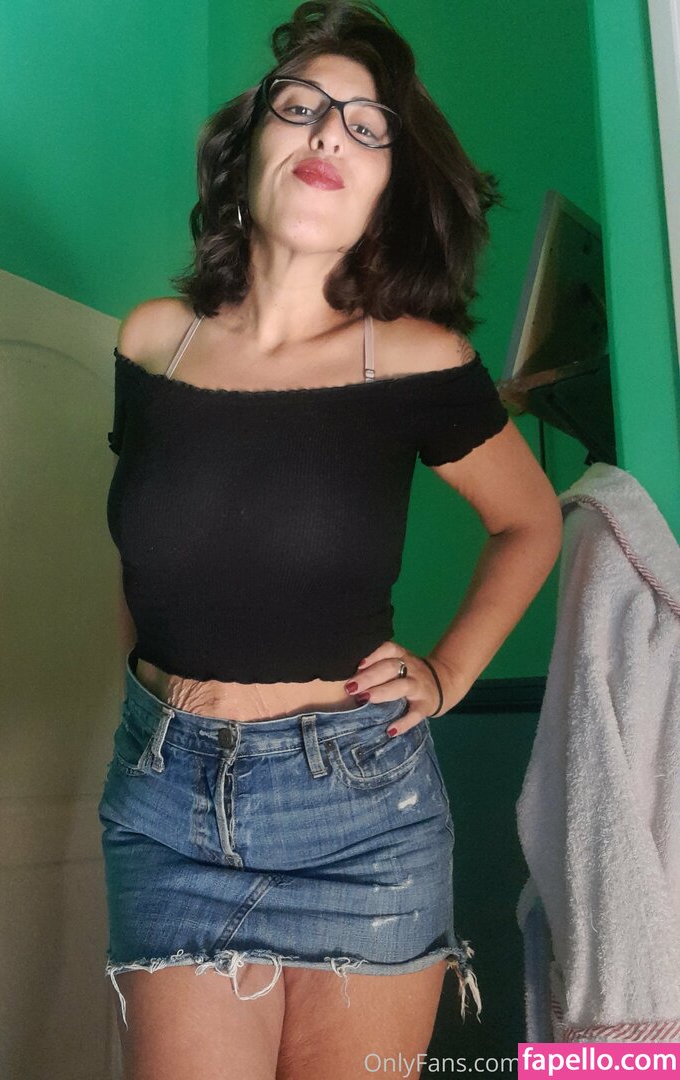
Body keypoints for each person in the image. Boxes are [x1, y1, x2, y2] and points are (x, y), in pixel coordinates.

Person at [98, 3, 563, 1078]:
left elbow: (530, 521)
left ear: (389, 186)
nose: (326, 133)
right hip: (163, 804)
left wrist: (448, 674)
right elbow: (141, 558)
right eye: (300, 106)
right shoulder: (154, 343)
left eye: (365, 124)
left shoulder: (417, 360)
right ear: (246, 145)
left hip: (359, 815)